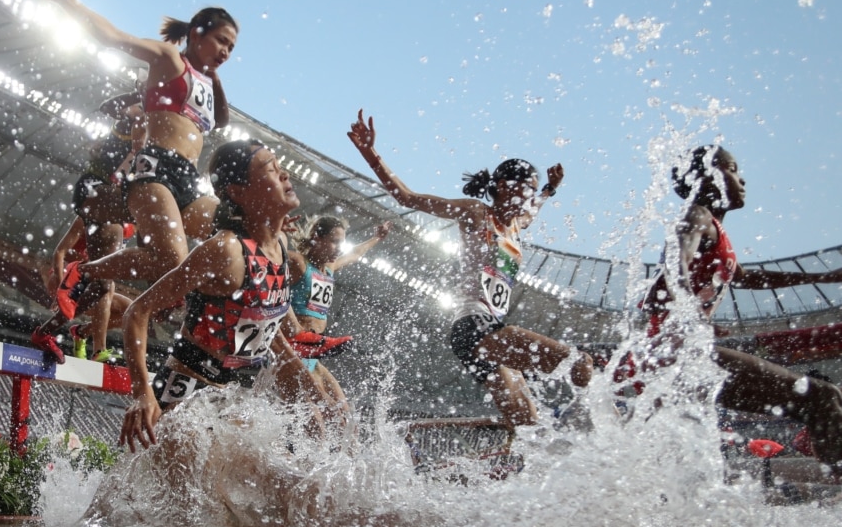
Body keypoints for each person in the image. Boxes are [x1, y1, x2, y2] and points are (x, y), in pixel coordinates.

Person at [347, 110, 593, 434]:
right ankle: (601, 437)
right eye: (526, 189)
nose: (529, 198)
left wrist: (549, 190)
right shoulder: (476, 213)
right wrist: (370, 153)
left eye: (533, 192)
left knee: (526, 426)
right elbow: (406, 198)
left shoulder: (517, 225)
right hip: (473, 326)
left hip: (490, 329)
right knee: (580, 364)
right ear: (504, 186)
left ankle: (423, 439)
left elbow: (534, 210)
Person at [21, 0, 236, 315]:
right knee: (172, 262)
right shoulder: (169, 59)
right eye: (221, 41)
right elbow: (110, 35)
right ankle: (83, 271)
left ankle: (245, 319)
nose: (226, 50)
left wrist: (214, 75)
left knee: (237, 234)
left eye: (231, 47)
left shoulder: (208, 82)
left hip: (187, 178)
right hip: (156, 168)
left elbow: (222, 120)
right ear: (196, 35)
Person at [119, 140, 345, 452]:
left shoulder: (279, 247)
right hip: (181, 397)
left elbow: (274, 336)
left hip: (228, 394)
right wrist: (142, 394)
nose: (284, 174)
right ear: (238, 192)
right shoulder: (225, 250)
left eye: (280, 166)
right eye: (270, 169)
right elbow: (137, 311)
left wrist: (314, 401)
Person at [635, 145, 842, 472]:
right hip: (678, 353)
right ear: (705, 178)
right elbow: (675, 261)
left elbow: (746, 277)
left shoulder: (713, 226)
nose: (741, 178)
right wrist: (690, 317)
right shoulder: (697, 216)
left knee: (821, 402)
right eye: (732, 169)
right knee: (823, 397)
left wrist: (820, 276)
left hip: (676, 357)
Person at [30, 90, 143, 363]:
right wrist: (138, 95)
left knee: (120, 299)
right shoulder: (132, 123)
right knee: (107, 281)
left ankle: (71, 332)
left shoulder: (124, 219)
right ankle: (95, 347)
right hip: (94, 191)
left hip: (102, 193)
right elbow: (113, 109)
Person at [286, 216, 391, 403]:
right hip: (293, 352)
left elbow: (356, 253)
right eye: (334, 242)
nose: (339, 248)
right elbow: (267, 253)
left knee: (341, 410)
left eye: (341, 243)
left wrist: (377, 238)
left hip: (313, 354)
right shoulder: (298, 263)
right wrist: (276, 228)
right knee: (318, 411)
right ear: (316, 237)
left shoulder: (329, 268)